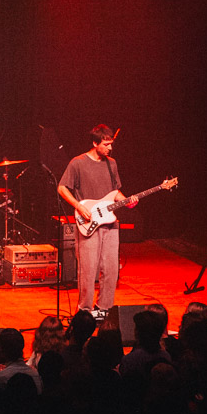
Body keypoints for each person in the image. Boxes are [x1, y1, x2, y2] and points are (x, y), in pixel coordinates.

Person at [57, 124, 135, 319]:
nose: (110, 148)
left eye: (111, 144)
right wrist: (78, 206)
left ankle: (104, 310)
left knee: (110, 270)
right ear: (95, 143)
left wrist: (127, 201)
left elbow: (115, 192)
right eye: (106, 144)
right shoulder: (78, 163)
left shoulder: (112, 164)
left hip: (110, 223)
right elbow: (62, 188)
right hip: (88, 222)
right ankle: (84, 311)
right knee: (88, 270)